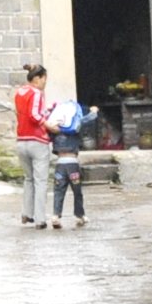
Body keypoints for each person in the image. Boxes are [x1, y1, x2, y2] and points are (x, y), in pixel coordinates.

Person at [12, 64, 54, 227]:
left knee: (28, 179)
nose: (45, 83)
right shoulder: (37, 93)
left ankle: (26, 213)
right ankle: (40, 219)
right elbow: (34, 115)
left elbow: (24, 113)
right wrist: (49, 125)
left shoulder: (20, 92)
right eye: (44, 79)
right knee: (41, 181)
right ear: (37, 79)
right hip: (37, 140)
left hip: (22, 140)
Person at [45, 97, 89, 227]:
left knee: (59, 190)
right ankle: (80, 215)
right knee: (77, 191)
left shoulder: (55, 131)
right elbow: (87, 120)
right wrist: (93, 112)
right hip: (72, 165)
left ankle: (55, 216)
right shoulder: (74, 126)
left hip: (60, 165)